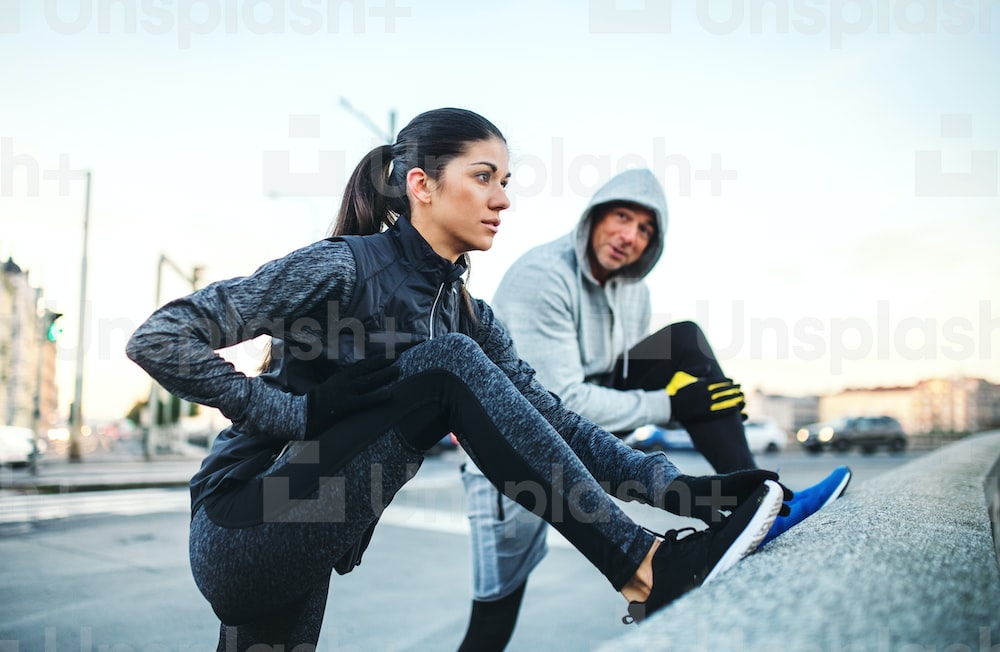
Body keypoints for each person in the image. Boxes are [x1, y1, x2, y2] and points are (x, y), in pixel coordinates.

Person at [126, 108, 790, 651]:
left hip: (307, 538)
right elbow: (159, 339)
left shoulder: (470, 316)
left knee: (461, 364)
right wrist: (295, 414)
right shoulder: (343, 268)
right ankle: (644, 569)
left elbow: (553, 423)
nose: (503, 198)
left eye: (506, 180)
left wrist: (682, 492)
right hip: (246, 524)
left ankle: (659, 547)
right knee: (448, 365)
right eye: (484, 177)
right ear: (422, 185)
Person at [457, 168, 852, 651]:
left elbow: (614, 381)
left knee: (684, 341)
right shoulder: (542, 277)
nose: (631, 236)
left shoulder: (634, 291)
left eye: (646, 229)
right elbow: (555, 407)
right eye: (622, 217)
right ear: (594, 217)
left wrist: (708, 403)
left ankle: (763, 499)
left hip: (584, 425)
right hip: (514, 450)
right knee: (494, 619)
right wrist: (673, 405)